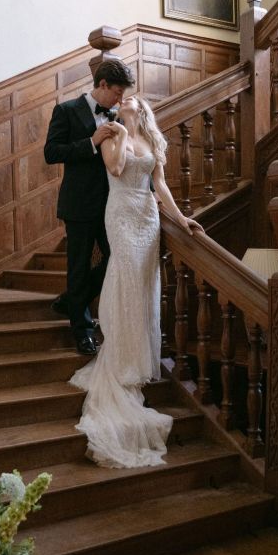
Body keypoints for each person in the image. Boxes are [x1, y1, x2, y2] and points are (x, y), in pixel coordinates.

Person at [69, 95, 202, 469]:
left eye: (132, 97)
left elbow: (160, 185)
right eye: (122, 96)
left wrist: (180, 219)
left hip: (148, 217)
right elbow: (114, 169)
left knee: (144, 285)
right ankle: (121, 355)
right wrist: (122, 135)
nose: (126, 98)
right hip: (121, 212)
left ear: (142, 107)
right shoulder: (112, 132)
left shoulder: (154, 140)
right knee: (124, 277)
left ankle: (139, 355)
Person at [44, 58, 135, 355]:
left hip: (113, 205)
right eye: (117, 92)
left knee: (118, 258)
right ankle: (82, 331)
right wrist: (91, 142)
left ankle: (72, 299)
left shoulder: (119, 117)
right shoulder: (66, 110)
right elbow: (51, 152)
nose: (121, 100)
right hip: (80, 204)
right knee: (79, 265)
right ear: (103, 85)